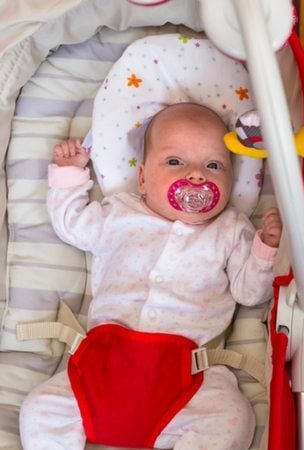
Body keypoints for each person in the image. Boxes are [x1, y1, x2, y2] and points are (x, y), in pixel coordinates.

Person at [19, 103, 282, 450]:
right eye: (175, 162)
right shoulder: (120, 213)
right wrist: (70, 175)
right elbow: (73, 226)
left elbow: (251, 293)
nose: (196, 175)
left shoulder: (231, 229)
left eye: (213, 165)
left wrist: (266, 249)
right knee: (40, 410)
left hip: (186, 378)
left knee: (233, 418)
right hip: (102, 368)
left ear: (231, 182)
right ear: (142, 177)